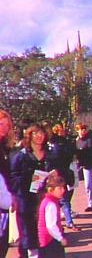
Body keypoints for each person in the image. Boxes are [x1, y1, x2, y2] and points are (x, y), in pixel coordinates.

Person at [10, 124, 56, 258]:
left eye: (41, 133)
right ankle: (28, 253)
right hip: (26, 198)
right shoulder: (21, 155)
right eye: (35, 133)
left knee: (44, 226)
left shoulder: (49, 155)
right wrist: (30, 178)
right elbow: (13, 177)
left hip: (45, 198)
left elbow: (59, 173)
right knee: (27, 227)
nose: (39, 135)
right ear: (29, 136)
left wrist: (54, 176)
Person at [38, 174, 67, 258]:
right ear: (51, 190)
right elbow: (51, 226)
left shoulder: (48, 201)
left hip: (46, 240)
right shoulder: (51, 204)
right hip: (50, 240)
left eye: (63, 187)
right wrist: (60, 238)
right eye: (59, 188)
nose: (63, 190)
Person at [0, 109, 15, 258]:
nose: (4, 127)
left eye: (7, 124)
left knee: (3, 240)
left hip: (4, 200)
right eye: (1, 124)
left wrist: (12, 196)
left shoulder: (6, 147)